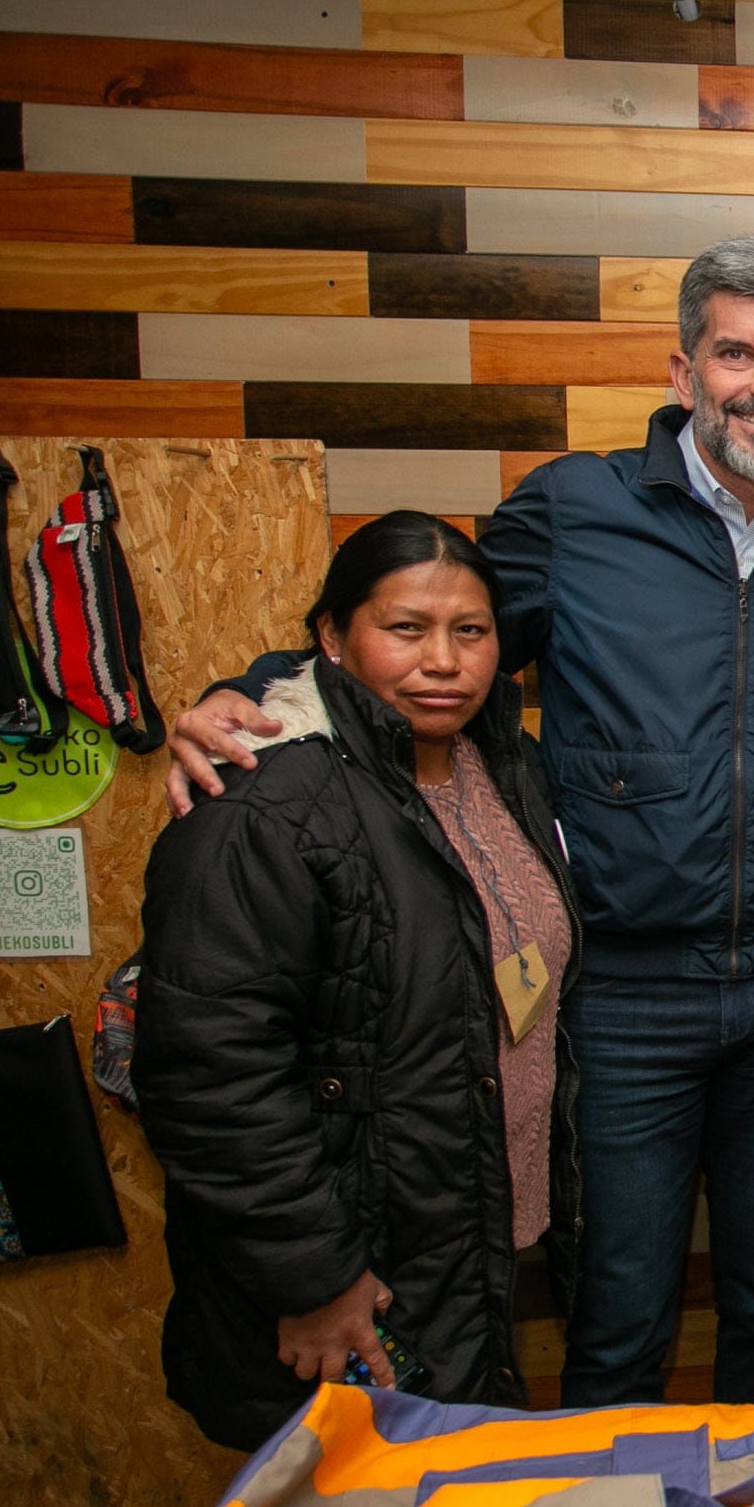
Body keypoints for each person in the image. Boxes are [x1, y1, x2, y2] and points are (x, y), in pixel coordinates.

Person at [163, 235, 754, 1406]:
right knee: (621, 1303)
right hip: (625, 989)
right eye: (738, 352)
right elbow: (434, 627)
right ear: (684, 370)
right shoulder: (578, 510)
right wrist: (271, 686)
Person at [137, 514, 577, 1450]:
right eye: (406, 629)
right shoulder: (261, 806)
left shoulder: (502, 766)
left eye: (471, 631)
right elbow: (211, 1076)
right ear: (333, 637)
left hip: (461, 1229)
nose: (445, 661)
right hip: (355, 1259)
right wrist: (313, 1277)